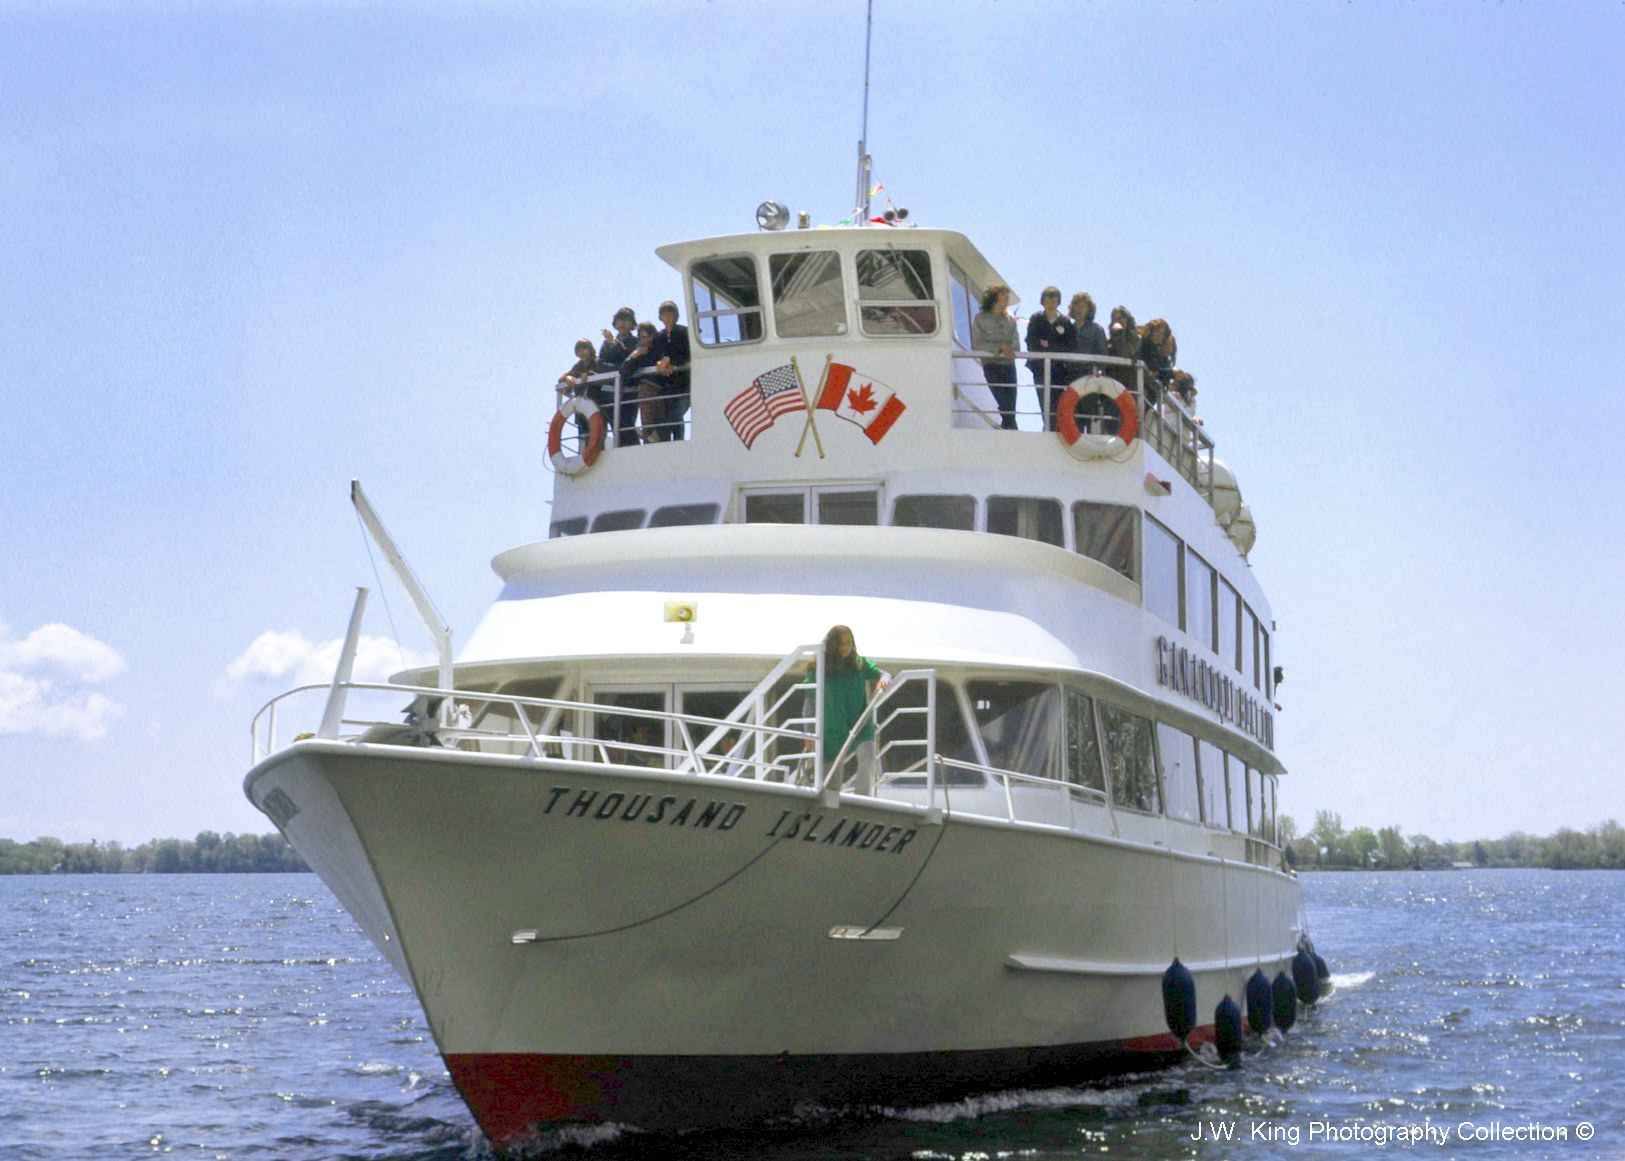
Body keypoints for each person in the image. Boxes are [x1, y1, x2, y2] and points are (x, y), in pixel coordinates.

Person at [803, 625, 890, 795]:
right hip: (832, 728)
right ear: (832, 645)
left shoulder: (859, 664)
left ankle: (862, 801)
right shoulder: (818, 669)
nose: (845, 648)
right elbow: (809, 706)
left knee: (868, 756)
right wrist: (808, 736)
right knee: (832, 785)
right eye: (841, 644)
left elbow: (884, 673)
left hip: (861, 723)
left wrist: (883, 680)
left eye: (849, 644)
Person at [1024, 286, 1076, 431]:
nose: (1050, 302)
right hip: (1039, 368)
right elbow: (1032, 342)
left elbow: (1070, 346)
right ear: (1042, 301)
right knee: (1043, 399)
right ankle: (1047, 426)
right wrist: (1051, 346)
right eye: (1047, 299)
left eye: (1053, 299)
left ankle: (1054, 428)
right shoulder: (1036, 319)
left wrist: (1049, 345)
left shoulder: (1065, 322)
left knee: (1057, 400)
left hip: (1059, 370)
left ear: (1058, 301)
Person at [971, 284, 1019, 430]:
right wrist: (999, 348)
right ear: (995, 296)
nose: (1007, 297)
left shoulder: (1010, 320)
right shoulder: (980, 319)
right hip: (991, 365)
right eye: (1003, 294)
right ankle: (1012, 433)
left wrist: (1009, 350)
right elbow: (977, 344)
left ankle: (1008, 432)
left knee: (1010, 407)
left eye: (1007, 294)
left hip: (1008, 366)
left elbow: (1016, 346)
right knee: (1005, 403)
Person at [617, 322, 665, 445]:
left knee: (664, 423)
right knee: (645, 393)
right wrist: (635, 355)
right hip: (648, 390)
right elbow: (624, 372)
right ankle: (648, 435)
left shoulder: (661, 348)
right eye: (643, 337)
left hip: (664, 389)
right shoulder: (639, 352)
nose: (647, 340)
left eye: (649, 336)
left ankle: (650, 435)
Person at [651, 300, 691, 441]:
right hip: (668, 382)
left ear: (676, 316)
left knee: (678, 410)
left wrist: (669, 360)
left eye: (671, 314)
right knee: (674, 413)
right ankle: (674, 442)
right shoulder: (659, 336)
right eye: (664, 315)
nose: (668, 318)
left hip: (684, 381)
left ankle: (660, 433)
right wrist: (661, 363)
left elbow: (687, 353)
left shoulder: (684, 332)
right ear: (660, 317)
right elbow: (655, 355)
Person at [557, 339, 604, 438]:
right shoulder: (578, 366)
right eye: (579, 350)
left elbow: (602, 374)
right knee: (583, 434)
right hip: (581, 405)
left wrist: (589, 374)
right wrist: (567, 378)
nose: (581, 352)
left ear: (590, 349)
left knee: (599, 430)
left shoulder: (597, 361)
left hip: (597, 402)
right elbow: (562, 378)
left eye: (584, 348)